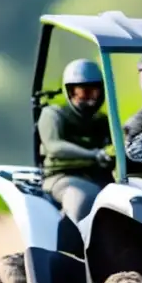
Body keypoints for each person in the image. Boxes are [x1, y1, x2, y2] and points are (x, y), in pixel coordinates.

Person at [38, 59, 114, 223]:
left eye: (94, 91)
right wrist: (94, 155)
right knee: (83, 199)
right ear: (70, 92)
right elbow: (54, 147)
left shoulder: (103, 121)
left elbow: (114, 148)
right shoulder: (53, 115)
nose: (89, 97)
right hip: (62, 177)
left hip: (99, 177)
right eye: (83, 92)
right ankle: (72, 246)